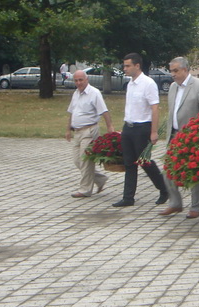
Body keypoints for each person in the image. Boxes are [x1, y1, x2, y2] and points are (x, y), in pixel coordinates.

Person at [161, 57, 199, 218]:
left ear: (185, 70)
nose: (173, 74)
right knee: (167, 170)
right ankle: (175, 203)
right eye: (171, 71)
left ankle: (196, 206)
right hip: (174, 135)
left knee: (195, 172)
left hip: (192, 136)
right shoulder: (173, 87)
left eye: (176, 71)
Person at [113, 53, 166, 208]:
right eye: (124, 66)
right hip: (128, 127)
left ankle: (164, 188)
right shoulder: (130, 83)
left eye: (128, 65)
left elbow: (154, 108)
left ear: (137, 66)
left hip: (142, 127)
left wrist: (154, 131)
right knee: (129, 163)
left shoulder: (148, 83)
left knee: (144, 161)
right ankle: (128, 197)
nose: (125, 69)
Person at [66, 70, 115, 198]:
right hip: (77, 132)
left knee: (85, 160)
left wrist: (110, 127)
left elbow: (104, 111)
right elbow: (71, 112)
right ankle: (100, 179)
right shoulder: (75, 94)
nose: (78, 83)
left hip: (89, 131)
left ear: (86, 79)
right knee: (77, 161)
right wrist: (67, 130)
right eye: (76, 80)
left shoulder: (94, 93)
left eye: (81, 80)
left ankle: (85, 189)